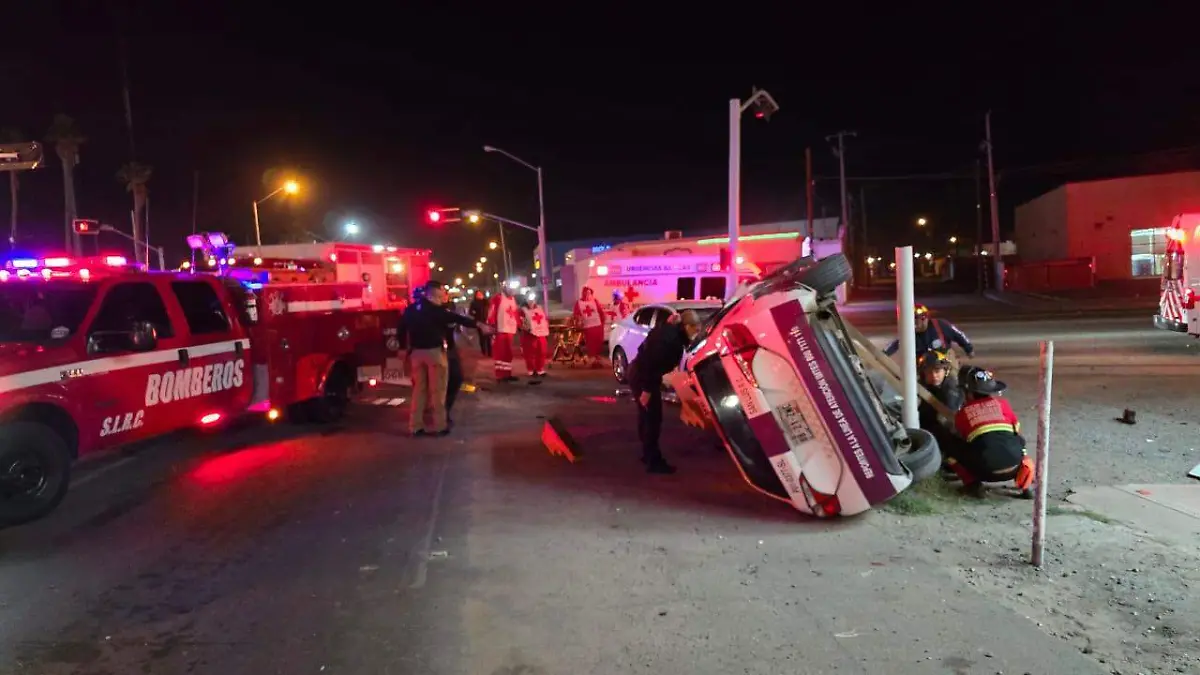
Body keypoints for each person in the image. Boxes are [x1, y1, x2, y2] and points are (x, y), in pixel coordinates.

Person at [402, 281, 487, 437]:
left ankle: (415, 426)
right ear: (434, 294)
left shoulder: (411, 309)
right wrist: (478, 324)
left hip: (416, 354)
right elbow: (458, 318)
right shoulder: (437, 310)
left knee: (419, 391)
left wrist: (403, 349)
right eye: (441, 291)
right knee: (438, 391)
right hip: (434, 353)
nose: (443, 294)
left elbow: (401, 328)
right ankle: (440, 426)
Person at [627, 310, 702, 474]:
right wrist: (646, 390)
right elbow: (650, 362)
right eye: (695, 330)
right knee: (653, 418)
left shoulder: (671, 332)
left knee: (646, 416)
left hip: (641, 373)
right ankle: (653, 461)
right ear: (686, 326)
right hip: (643, 376)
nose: (696, 334)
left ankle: (648, 454)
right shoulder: (671, 340)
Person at [945, 365, 1035, 498]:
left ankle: (972, 485)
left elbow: (963, 438)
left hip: (985, 472)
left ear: (968, 393)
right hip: (1014, 467)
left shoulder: (963, 413)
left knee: (951, 447)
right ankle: (1025, 485)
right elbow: (1016, 429)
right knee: (1019, 441)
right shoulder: (1003, 404)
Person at [915, 349, 964, 468]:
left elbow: (948, 420)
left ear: (945, 371)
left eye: (937, 371)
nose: (934, 376)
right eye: (929, 372)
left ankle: (954, 463)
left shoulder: (950, 390)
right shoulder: (925, 385)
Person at [884, 305, 974, 367]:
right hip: (923, 366)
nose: (913, 324)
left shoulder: (941, 325)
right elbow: (894, 344)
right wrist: (882, 355)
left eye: (915, 321)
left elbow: (959, 335)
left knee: (951, 382)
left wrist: (968, 349)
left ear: (924, 319)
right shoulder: (908, 333)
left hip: (944, 363)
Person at [488, 285, 521, 382]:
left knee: (508, 353)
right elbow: (492, 311)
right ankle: (500, 375)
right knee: (500, 353)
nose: (512, 291)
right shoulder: (497, 298)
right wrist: (492, 324)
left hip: (509, 329)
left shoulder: (512, 299)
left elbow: (515, 313)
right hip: (500, 329)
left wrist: (519, 324)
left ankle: (507, 373)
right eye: (510, 289)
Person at [573, 286, 607, 368]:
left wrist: (602, 322)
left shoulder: (595, 301)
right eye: (586, 293)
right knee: (591, 344)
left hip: (598, 325)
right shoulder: (579, 303)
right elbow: (576, 314)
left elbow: (600, 312)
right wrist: (578, 322)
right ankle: (593, 360)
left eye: (589, 293)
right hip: (588, 326)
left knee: (598, 342)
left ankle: (597, 359)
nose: (587, 295)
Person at [519, 293, 550, 379]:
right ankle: (531, 369)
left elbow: (544, 319)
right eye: (529, 300)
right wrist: (525, 327)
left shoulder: (539, 308)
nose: (531, 301)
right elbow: (520, 321)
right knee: (529, 353)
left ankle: (540, 369)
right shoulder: (523, 310)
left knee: (542, 351)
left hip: (541, 334)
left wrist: (546, 325)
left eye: (533, 300)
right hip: (529, 334)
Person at [468, 290, 492, 357]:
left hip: (487, 321)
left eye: (480, 294)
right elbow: (470, 312)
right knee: (482, 338)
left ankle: (490, 352)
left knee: (488, 337)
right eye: (478, 294)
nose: (479, 295)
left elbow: (490, 309)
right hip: (479, 322)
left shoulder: (486, 301)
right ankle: (483, 351)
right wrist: (474, 314)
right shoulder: (474, 303)